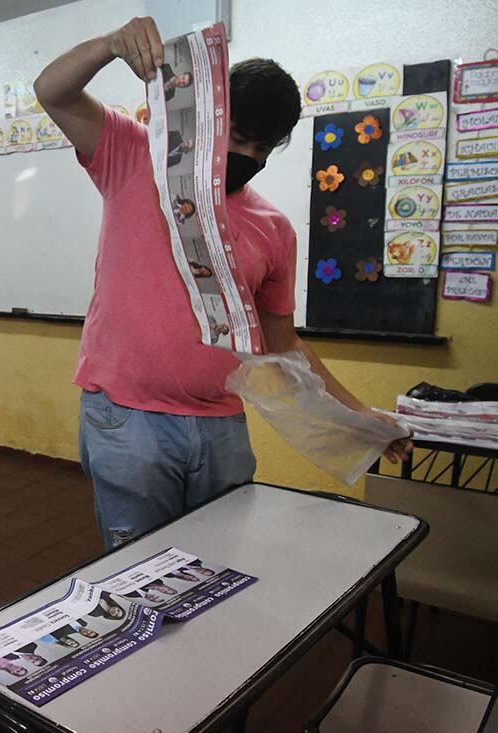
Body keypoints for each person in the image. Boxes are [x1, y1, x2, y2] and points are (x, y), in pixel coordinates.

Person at [33, 15, 411, 550]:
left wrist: (359, 416)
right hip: (127, 418)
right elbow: (52, 91)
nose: (250, 159)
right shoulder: (136, 155)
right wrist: (109, 45)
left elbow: (283, 346)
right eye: (241, 138)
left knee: (219, 570)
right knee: (139, 571)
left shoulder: (274, 228)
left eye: (265, 149)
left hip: (221, 425)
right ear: (213, 118)